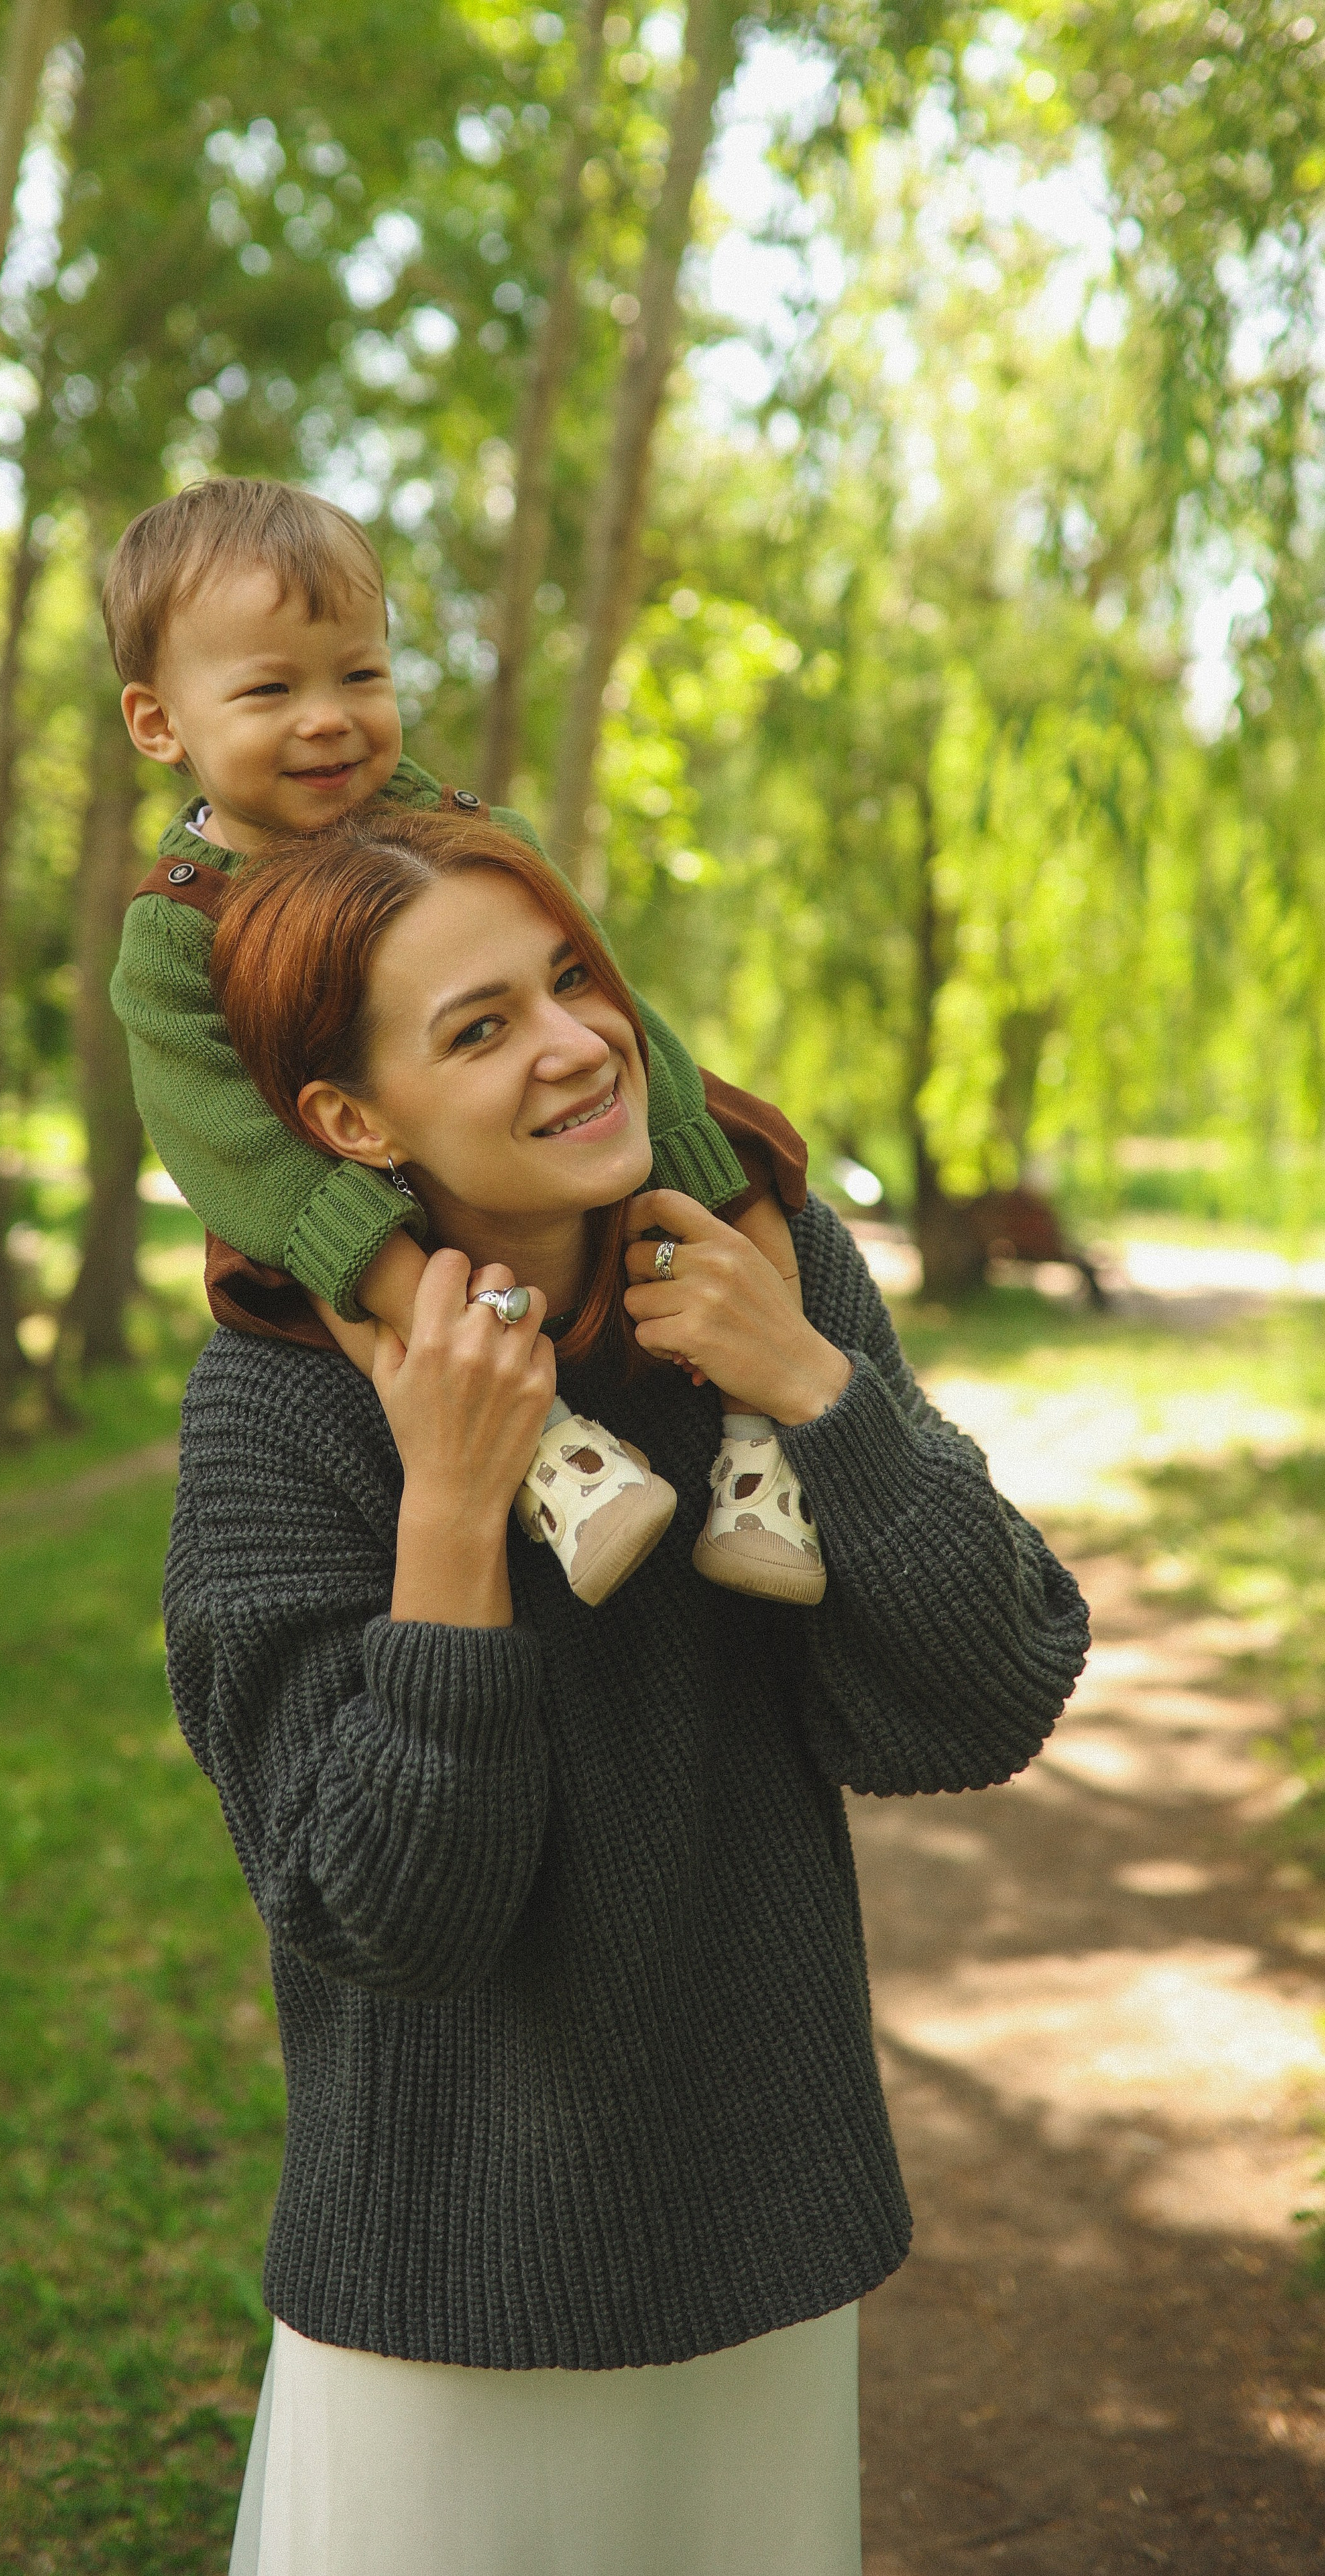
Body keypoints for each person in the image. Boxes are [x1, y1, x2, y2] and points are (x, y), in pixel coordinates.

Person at [166, 805, 1092, 2575]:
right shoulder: (279, 1412)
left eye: (571, 978)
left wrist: (818, 1386)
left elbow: (988, 1695)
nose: (577, 1043)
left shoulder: (773, 1276)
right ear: (352, 1126)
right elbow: (386, 1918)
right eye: (480, 1027)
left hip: (764, 2235)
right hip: (446, 2287)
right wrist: (453, 1505)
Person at [107, 474, 825, 1610]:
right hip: (324, 1192)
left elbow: (623, 1016)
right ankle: (551, 1457)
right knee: (356, 1293)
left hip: (514, 1159)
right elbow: (228, 1143)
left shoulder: (467, 833)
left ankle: (761, 1455)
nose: (329, 716)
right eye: (269, 690)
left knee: (748, 1171)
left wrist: (683, 1157)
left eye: (362, 673)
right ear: (160, 722)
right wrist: (375, 1250)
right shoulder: (176, 933)